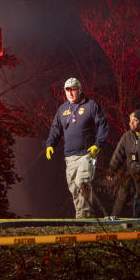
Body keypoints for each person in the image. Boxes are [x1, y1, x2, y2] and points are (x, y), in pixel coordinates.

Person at [45, 77, 110, 218]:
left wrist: (98, 145)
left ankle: (85, 216)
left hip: (87, 154)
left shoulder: (91, 105)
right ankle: (82, 215)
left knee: (83, 182)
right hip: (70, 156)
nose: (70, 92)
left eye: (73, 89)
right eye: (67, 90)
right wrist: (50, 144)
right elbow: (55, 129)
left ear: (79, 90)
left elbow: (103, 124)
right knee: (74, 187)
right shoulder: (62, 109)